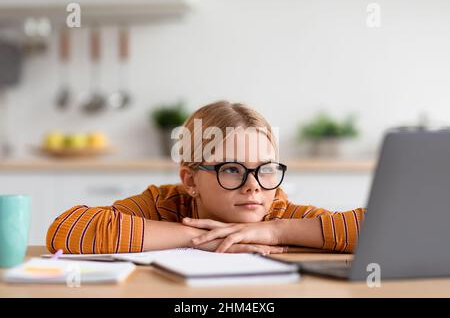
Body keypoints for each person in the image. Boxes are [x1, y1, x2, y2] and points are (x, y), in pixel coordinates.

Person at [46, 101, 366, 255]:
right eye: (231, 169)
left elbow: (381, 229)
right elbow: (69, 229)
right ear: (190, 180)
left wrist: (276, 230)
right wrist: (204, 239)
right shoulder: (165, 204)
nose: (254, 185)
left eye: (265, 169)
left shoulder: (277, 212)